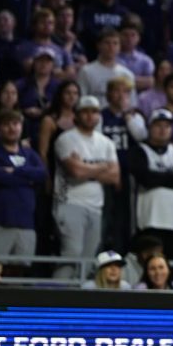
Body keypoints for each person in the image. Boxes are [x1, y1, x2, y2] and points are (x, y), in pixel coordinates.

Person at [52, 94, 119, 278]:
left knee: (88, 259)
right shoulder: (66, 139)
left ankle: (78, 301)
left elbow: (115, 176)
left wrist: (86, 167)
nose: (90, 116)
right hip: (70, 202)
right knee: (71, 254)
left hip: (96, 206)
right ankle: (56, 299)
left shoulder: (106, 143)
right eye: (85, 112)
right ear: (76, 114)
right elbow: (76, 172)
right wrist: (102, 167)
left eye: (94, 112)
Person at [131, 109, 173, 259]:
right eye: (158, 125)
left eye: (167, 126)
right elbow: (145, 179)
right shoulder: (140, 151)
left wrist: (158, 177)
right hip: (149, 219)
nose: (163, 130)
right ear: (150, 128)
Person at [0, 109, 46, 262]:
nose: (12, 128)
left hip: (26, 224)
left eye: (15, 123)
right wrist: (28, 179)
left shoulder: (29, 153)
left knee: (22, 276)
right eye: (6, 124)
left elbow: (42, 174)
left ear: (21, 126)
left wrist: (14, 171)